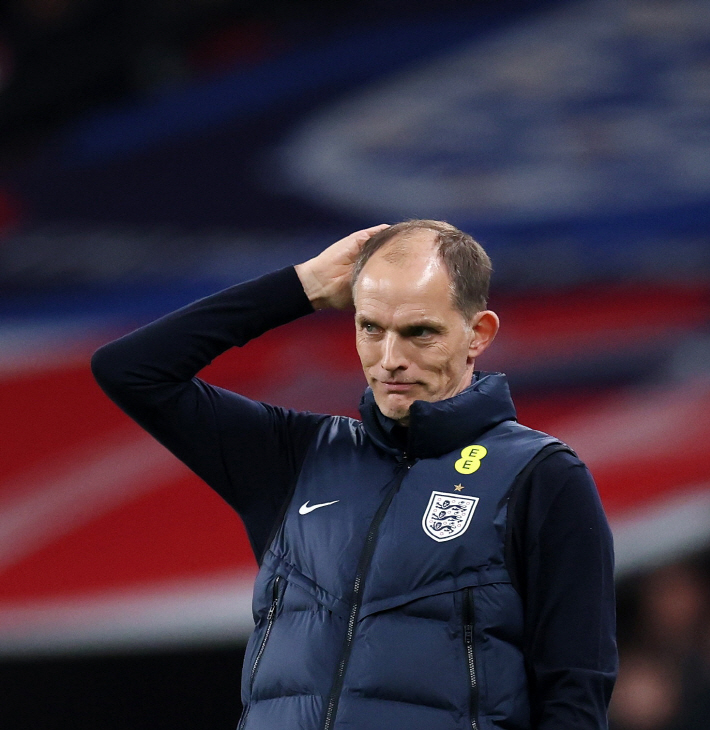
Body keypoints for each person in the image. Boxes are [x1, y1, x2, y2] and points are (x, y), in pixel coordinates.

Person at [91, 220, 618, 730]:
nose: (390, 359)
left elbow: (575, 694)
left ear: (478, 334)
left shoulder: (541, 475)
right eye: (371, 328)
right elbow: (132, 371)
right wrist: (304, 286)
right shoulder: (297, 455)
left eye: (420, 333)